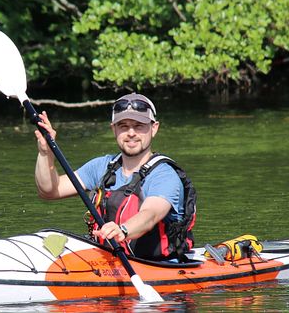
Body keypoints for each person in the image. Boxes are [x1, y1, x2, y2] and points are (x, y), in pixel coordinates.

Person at [34, 93, 196, 261]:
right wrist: (46, 153)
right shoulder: (102, 166)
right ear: (114, 129)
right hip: (107, 260)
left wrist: (123, 230)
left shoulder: (164, 175)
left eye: (139, 125)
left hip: (158, 265)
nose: (131, 133)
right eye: (123, 126)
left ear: (154, 128)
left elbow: (151, 215)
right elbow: (50, 191)